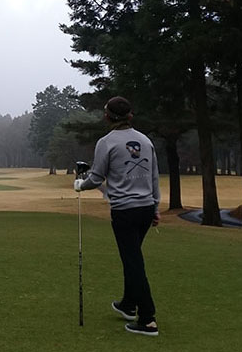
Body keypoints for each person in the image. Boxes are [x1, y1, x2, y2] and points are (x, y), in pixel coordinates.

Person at [74, 96, 161, 336]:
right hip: (145, 209)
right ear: (130, 116)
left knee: (133, 262)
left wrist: (80, 185)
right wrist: (155, 208)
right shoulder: (145, 140)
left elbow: (96, 178)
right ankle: (128, 304)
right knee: (132, 257)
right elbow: (154, 177)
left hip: (124, 211)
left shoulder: (106, 142)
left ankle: (148, 319)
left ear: (107, 116)